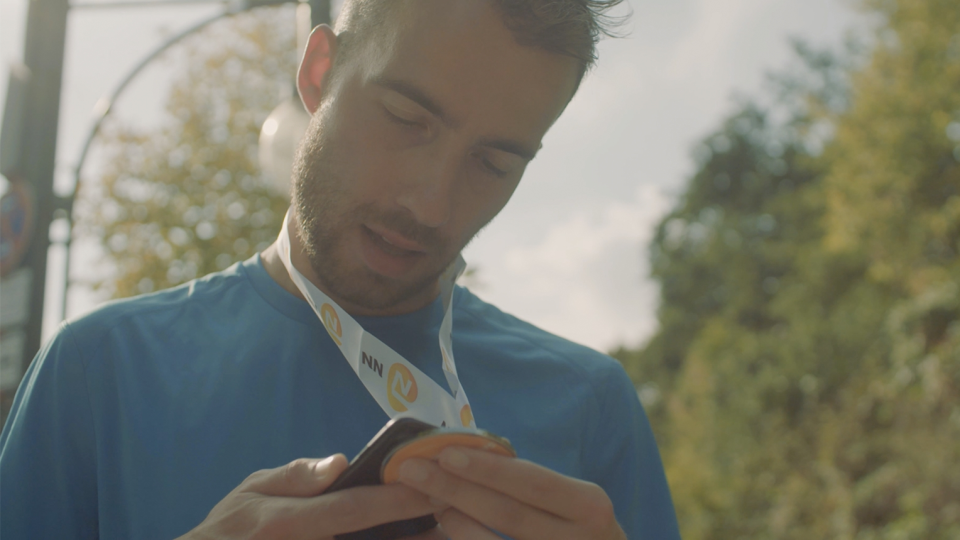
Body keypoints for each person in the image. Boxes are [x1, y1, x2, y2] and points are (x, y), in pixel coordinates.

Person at [0, 0, 680, 538]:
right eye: (405, 117)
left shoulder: (592, 406)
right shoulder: (97, 373)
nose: (430, 203)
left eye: (494, 164)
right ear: (319, 72)